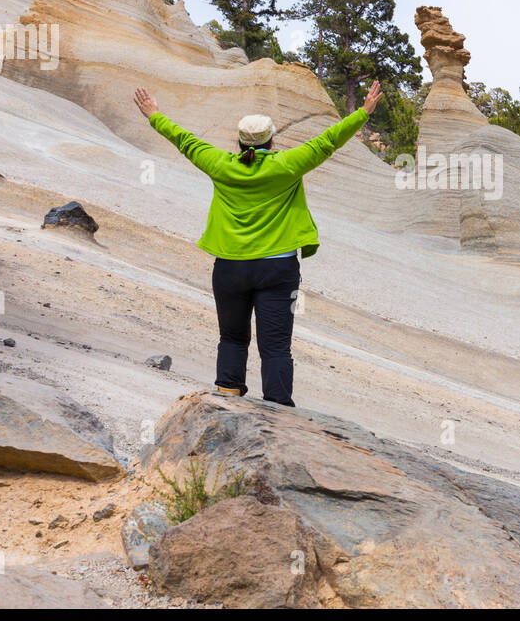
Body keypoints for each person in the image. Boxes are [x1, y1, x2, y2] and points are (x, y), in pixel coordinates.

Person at [131, 80, 382, 406]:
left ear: (238, 141)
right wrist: (362, 113)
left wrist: (154, 115)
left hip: (230, 267)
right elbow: (327, 142)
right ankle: (277, 411)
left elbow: (185, 141)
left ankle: (227, 398)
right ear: (272, 140)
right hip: (278, 268)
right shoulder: (287, 165)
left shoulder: (220, 164)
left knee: (232, 338)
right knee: (276, 345)